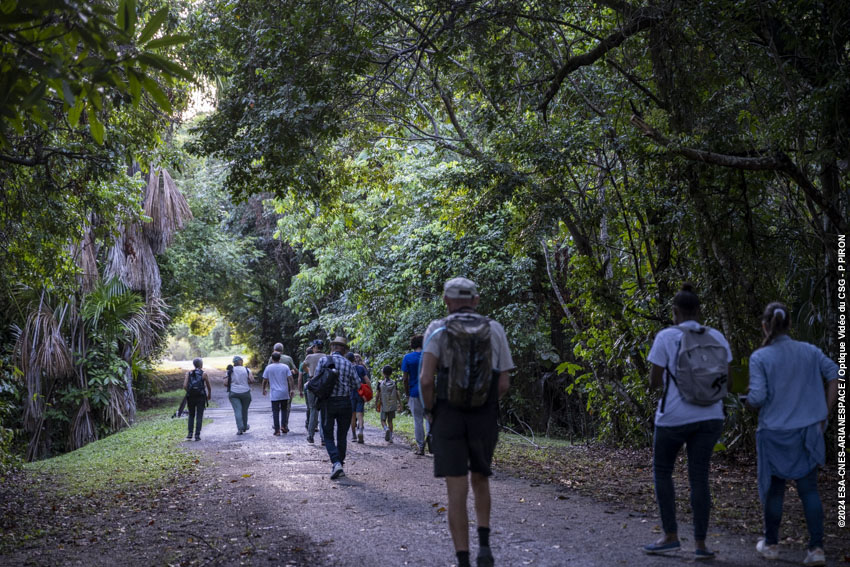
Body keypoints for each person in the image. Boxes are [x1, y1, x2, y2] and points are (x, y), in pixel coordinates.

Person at [420, 277, 514, 567]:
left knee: (456, 488)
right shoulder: (494, 329)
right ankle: (484, 547)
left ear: (446, 301)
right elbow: (504, 382)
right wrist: (483, 402)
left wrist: (431, 410)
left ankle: (463, 559)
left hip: (448, 415)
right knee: (481, 478)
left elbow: (426, 380)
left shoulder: (437, 329)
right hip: (483, 414)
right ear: (476, 300)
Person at [643, 283, 731, 561]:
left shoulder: (666, 337)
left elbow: (654, 381)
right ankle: (701, 544)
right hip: (711, 416)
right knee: (699, 478)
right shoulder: (717, 336)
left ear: (676, 312)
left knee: (662, 472)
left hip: (673, 417)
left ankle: (670, 536)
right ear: (699, 311)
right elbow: (726, 375)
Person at [746, 302, 838, 566]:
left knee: (775, 491)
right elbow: (835, 375)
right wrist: (825, 413)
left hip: (774, 433)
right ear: (789, 325)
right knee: (809, 490)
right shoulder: (809, 351)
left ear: (765, 326)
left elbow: (758, 397)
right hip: (807, 431)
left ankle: (772, 544)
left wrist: (748, 401)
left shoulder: (760, 357)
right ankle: (816, 549)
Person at [315, 336, 362, 479]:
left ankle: (336, 463)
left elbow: (317, 379)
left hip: (328, 403)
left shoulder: (323, 360)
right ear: (344, 349)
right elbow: (357, 385)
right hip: (345, 403)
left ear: (332, 347)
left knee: (328, 434)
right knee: (342, 435)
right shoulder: (348, 364)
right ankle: (339, 463)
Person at [402, 334, 430, 455]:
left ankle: (421, 447)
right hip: (429, 392)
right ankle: (432, 442)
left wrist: (407, 394)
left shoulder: (408, 358)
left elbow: (405, 379)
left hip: (414, 392)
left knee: (418, 420)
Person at [263, 352, 293, 435]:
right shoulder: (285, 367)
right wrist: (292, 389)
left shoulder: (268, 368)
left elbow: (265, 380)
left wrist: (264, 389)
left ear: (272, 359)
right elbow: (290, 379)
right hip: (284, 392)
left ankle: (277, 430)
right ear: (280, 359)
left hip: (274, 393)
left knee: (275, 411)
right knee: (284, 410)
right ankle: (283, 426)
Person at [303, 339, 327, 444]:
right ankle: (323, 437)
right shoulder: (326, 357)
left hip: (312, 383)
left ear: (315, 348)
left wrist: (310, 372)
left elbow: (303, 366)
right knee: (323, 411)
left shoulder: (309, 357)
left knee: (313, 410)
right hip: (323, 385)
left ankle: (310, 435)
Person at [182, 358, 211, 441]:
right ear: (201, 365)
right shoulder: (204, 373)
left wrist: (189, 392)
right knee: (199, 415)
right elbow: (208, 386)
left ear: (194, 365)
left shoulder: (189, 373)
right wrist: (209, 394)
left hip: (191, 397)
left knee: (191, 415)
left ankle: (190, 434)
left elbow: (184, 386)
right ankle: (197, 435)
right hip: (201, 396)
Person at [376, 365, 402, 443]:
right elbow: (397, 393)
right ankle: (390, 437)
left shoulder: (380, 383)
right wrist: (400, 403)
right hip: (392, 405)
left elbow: (377, 394)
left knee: (383, 420)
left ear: (383, 373)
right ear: (391, 373)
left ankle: (386, 429)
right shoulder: (394, 383)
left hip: (384, 404)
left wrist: (376, 403)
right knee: (390, 421)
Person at [228, 355, 253, 435]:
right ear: (240, 362)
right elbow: (251, 380)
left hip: (234, 392)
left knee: (237, 410)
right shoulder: (247, 369)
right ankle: (245, 426)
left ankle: (240, 428)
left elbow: (225, 383)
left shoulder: (230, 370)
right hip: (245, 392)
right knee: (244, 410)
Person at [347, 352, 368, 443]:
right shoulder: (361, 368)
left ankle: (354, 435)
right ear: (354, 359)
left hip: (351, 394)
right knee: (360, 413)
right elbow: (367, 381)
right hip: (361, 393)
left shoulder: (347, 368)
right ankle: (361, 431)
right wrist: (369, 392)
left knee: (352, 415)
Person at [298, 345, 314, 431]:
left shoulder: (302, 365)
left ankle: (308, 423)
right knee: (316, 407)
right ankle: (314, 424)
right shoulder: (317, 362)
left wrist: (300, 390)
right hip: (316, 387)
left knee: (309, 407)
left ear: (306, 354)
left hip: (307, 388)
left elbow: (300, 379)